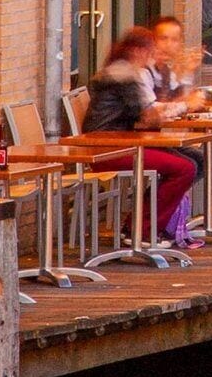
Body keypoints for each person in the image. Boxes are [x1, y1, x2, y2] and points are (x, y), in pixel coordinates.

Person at [81, 27, 202, 243]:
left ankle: (145, 224)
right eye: (151, 49)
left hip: (122, 142)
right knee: (184, 167)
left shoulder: (124, 72)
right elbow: (149, 116)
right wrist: (185, 106)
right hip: (106, 149)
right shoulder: (123, 75)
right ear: (138, 51)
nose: (153, 55)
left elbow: (147, 113)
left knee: (192, 160)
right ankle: (143, 230)